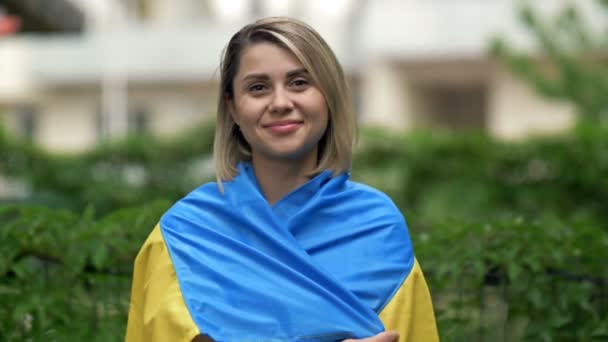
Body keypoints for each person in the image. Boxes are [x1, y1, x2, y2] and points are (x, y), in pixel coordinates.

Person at [125, 17, 438, 342]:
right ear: (232, 108)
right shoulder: (182, 237)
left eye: (299, 82)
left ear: (328, 97)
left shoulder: (378, 228)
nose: (280, 103)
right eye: (258, 87)